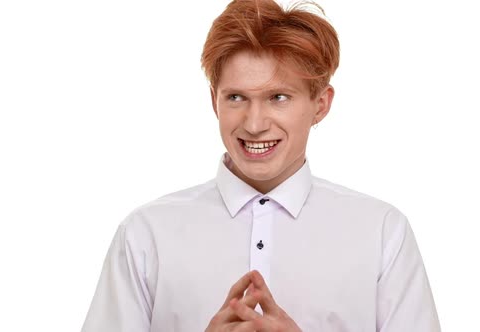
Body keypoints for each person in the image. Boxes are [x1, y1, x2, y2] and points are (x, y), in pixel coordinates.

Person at [81, 0, 441, 331]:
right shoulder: (146, 234)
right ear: (214, 101)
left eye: (278, 97)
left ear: (321, 104)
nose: (254, 124)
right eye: (236, 97)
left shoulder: (381, 232)